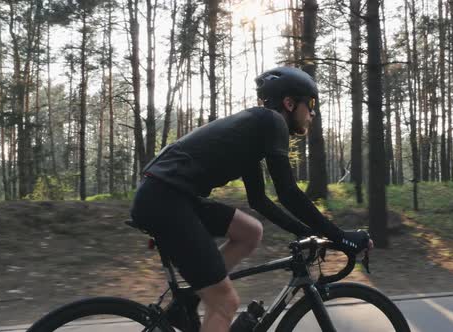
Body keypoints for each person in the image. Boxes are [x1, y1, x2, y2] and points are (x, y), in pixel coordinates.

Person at [130, 66, 373, 332]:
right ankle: (202, 297)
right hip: (165, 200)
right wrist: (341, 237)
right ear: (289, 103)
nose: (313, 112)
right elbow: (288, 193)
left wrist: (306, 233)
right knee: (224, 302)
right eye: (310, 103)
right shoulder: (272, 122)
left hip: (169, 196)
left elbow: (259, 201)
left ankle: (189, 299)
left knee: (249, 231)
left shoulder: (253, 130)